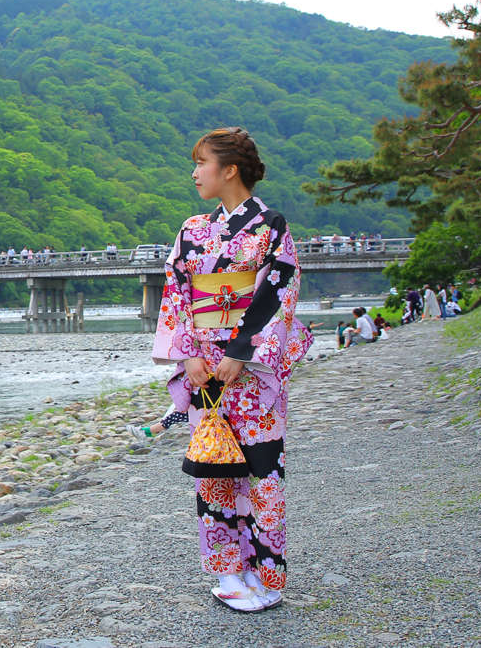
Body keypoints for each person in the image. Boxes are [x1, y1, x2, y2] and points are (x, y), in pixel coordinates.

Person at [151, 127, 311, 613]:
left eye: (202, 163)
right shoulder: (191, 230)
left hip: (250, 371)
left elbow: (279, 291)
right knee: (216, 470)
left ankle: (267, 572)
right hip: (205, 372)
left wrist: (241, 351)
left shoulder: (270, 226)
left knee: (263, 473)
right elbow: (176, 294)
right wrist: (188, 356)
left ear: (230, 170)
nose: (195, 172)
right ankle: (226, 569)